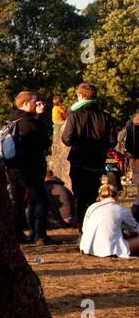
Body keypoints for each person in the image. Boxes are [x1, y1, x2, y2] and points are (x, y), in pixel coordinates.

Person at [4, 90, 53, 245]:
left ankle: (17, 234)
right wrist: (40, 118)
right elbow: (44, 142)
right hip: (30, 167)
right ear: (26, 103)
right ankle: (39, 235)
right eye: (34, 101)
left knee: (17, 200)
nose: (36, 103)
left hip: (13, 167)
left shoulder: (11, 120)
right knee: (40, 200)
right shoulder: (30, 123)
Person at [61, 82, 112, 228]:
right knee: (94, 195)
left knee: (80, 197)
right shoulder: (105, 116)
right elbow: (112, 140)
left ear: (80, 95)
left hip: (80, 161)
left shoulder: (75, 115)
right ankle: (95, 227)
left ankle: (83, 229)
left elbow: (67, 139)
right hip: (98, 161)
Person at [78, 182, 139, 258]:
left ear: (100, 197)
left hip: (86, 248)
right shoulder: (121, 210)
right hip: (110, 250)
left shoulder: (91, 207)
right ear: (117, 196)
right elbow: (136, 229)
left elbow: (84, 229)